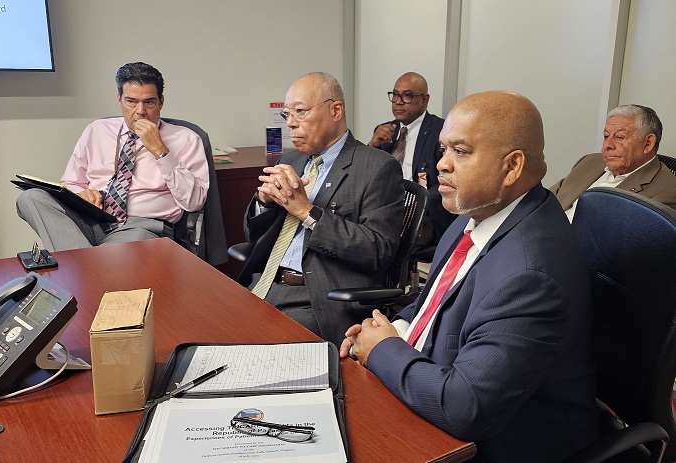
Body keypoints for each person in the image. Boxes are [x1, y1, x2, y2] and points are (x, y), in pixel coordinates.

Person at [340, 91, 599, 462]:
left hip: (497, 445)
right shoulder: (474, 214)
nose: (442, 164)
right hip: (433, 385)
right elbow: (431, 301)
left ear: (512, 167)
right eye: (444, 149)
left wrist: (382, 350)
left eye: (460, 151)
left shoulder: (531, 274)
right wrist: (391, 327)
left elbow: (465, 407)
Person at [238, 72, 404, 345]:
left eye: (300, 112)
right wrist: (263, 202)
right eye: (287, 114)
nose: (291, 123)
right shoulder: (292, 159)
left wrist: (308, 213)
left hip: (315, 297)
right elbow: (252, 235)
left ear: (335, 110)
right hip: (264, 281)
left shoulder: (377, 167)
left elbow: (378, 250)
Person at [16, 62, 209, 251]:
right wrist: (82, 194)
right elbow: (71, 182)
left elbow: (194, 202)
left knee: (113, 256)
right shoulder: (97, 130)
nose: (140, 111)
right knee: (31, 198)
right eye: (131, 102)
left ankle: (85, 267)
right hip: (90, 218)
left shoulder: (186, 139)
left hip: (141, 226)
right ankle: (92, 267)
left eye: (149, 102)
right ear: (119, 100)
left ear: (161, 102)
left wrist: (160, 151)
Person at [368, 72, 455, 245]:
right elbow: (366, 176)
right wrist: (373, 146)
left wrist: (416, 203)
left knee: (384, 235)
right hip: (385, 208)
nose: (398, 101)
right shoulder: (384, 131)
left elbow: (449, 180)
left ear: (424, 100)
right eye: (395, 95)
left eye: (407, 95)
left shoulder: (442, 131)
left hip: (425, 213)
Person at [550, 104, 676, 221]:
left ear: (648, 144)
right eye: (606, 136)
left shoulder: (667, 192)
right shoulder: (589, 161)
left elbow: (622, 242)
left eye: (619, 137)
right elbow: (544, 202)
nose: (607, 145)